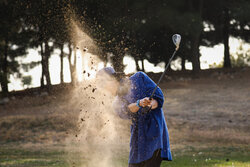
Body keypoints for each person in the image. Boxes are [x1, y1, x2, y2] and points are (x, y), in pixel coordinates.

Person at [96, 67, 172, 167]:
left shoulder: (140, 78)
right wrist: (139, 104)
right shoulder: (116, 103)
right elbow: (127, 111)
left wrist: (149, 105)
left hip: (154, 134)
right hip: (138, 140)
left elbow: (159, 99)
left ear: (113, 79)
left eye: (104, 83)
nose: (104, 88)